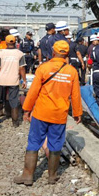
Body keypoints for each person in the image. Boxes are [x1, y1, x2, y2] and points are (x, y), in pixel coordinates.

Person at [14, 40, 82, 186]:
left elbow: (33, 92)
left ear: (53, 52)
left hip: (41, 113)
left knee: (34, 142)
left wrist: (26, 109)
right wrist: (77, 113)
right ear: (66, 54)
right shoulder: (72, 71)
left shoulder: (44, 68)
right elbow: (75, 95)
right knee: (56, 144)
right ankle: (52, 176)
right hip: (59, 114)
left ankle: (27, 176)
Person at [0, 35, 27, 127]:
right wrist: (24, 80)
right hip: (14, 81)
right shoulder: (19, 54)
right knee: (14, 101)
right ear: (15, 42)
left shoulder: (1, 53)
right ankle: (15, 123)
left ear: (6, 43)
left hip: (1, 80)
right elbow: (22, 68)